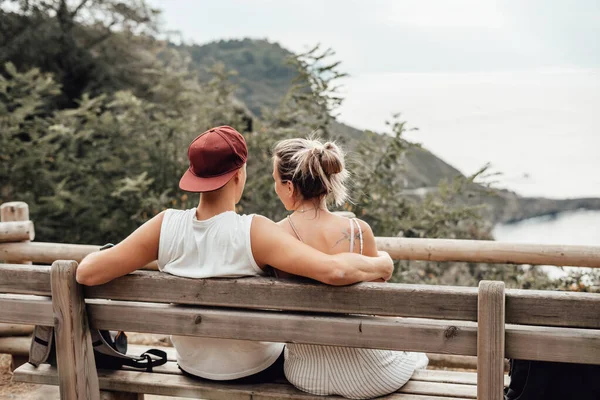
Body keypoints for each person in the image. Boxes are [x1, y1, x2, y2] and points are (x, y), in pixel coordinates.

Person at [76, 125, 393, 384]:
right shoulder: (255, 231)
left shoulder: (164, 225)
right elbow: (334, 272)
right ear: (239, 174)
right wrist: (382, 262)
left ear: (194, 175)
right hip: (256, 370)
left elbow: (86, 273)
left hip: (190, 365)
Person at [271, 137, 428, 399]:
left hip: (306, 373)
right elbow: (381, 311)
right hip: (373, 376)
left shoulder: (273, 237)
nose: (275, 187)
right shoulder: (358, 231)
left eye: (275, 181)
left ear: (288, 187)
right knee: (417, 354)